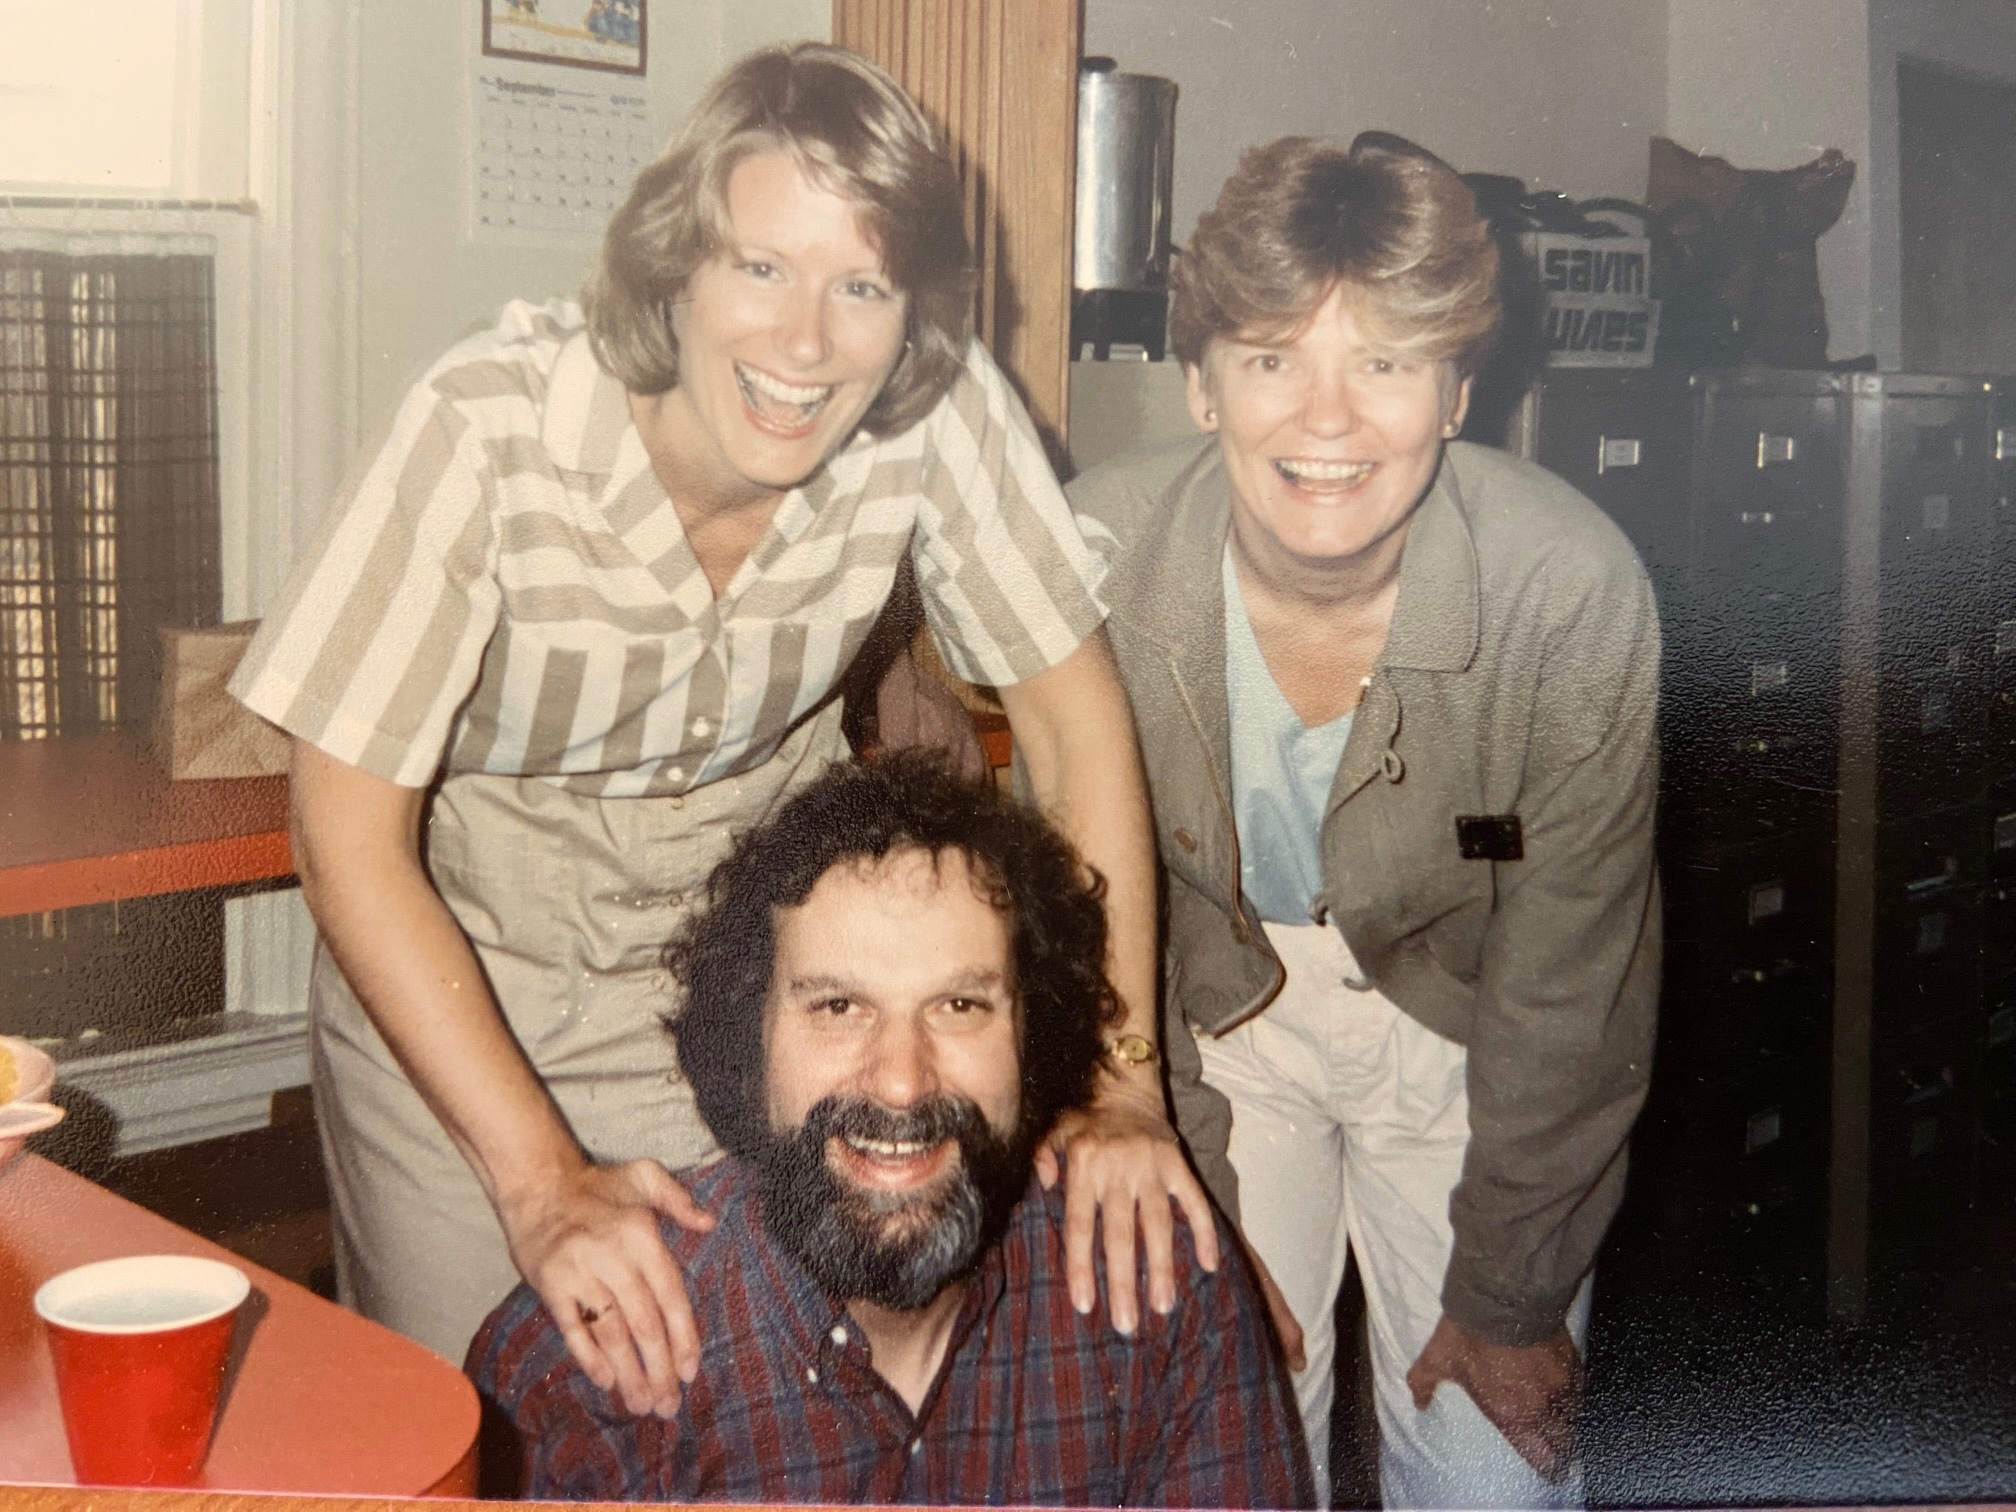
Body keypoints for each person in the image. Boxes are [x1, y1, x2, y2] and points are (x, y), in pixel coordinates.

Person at [229, 42, 1212, 1409]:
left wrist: (1123, 1085)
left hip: (765, 967)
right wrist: (540, 1182)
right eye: (761, 267)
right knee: (482, 1411)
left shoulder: (938, 411)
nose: (805, 343)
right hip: (474, 957)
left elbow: (1076, 729)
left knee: (795, 1396)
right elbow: (344, 839)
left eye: (860, 285)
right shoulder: (486, 428)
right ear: (675, 264)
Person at [1068, 133, 1661, 1509]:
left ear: (1458, 390)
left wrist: (1512, 1297)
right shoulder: (1090, 559)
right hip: (1204, 1027)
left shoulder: (1570, 593)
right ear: (1204, 385)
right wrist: (1201, 1212)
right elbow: (1069, 912)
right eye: (1274, 357)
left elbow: (1573, 987)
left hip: (1470, 1035)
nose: (1326, 424)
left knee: (1494, 1476)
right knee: (1220, 1445)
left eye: (1386, 363)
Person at [468, 754, 1311, 1506]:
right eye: (838, 1007)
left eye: (959, 1006)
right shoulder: (580, 1366)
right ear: (748, 1035)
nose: (903, 1081)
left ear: (1033, 1035)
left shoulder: (1156, 1287)